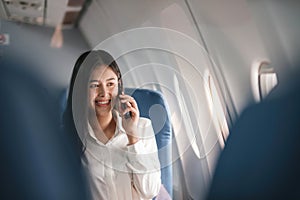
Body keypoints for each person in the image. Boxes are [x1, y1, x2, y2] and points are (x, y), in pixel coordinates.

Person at [63, 50, 161, 200]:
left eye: (110, 84)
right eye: (94, 85)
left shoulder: (142, 127)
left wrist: (132, 136)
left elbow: (150, 191)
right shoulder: (69, 136)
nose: (104, 93)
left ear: (119, 86)